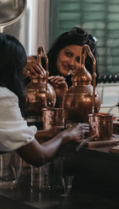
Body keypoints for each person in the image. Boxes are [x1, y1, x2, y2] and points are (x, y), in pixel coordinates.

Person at [0, 34, 84, 166]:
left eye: (78, 59)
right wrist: (67, 135)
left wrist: (45, 134)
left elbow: (8, 135)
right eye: (22, 64)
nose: (72, 63)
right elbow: (39, 156)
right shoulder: (4, 97)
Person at [24, 27, 99, 106]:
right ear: (58, 51)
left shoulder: (80, 87)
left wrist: (62, 98)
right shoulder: (35, 67)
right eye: (68, 54)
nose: (71, 63)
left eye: (78, 60)